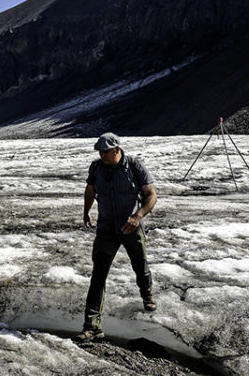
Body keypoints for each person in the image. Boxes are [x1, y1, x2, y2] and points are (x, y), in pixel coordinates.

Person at [76, 132, 158, 342]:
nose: (102, 155)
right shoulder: (96, 168)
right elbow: (90, 190)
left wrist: (138, 216)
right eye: (100, 151)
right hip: (106, 229)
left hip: (130, 227)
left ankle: (147, 294)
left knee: (140, 264)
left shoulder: (134, 166)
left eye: (106, 151)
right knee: (98, 276)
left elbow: (151, 195)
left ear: (117, 150)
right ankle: (92, 326)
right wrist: (86, 211)